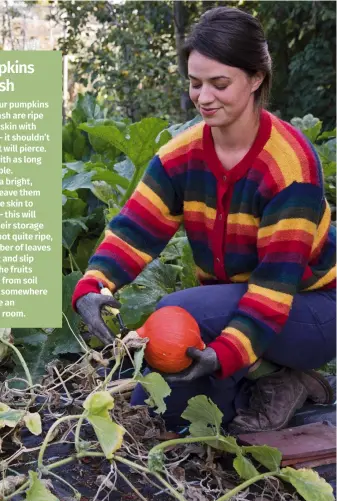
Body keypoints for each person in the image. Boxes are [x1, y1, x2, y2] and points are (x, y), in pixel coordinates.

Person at [72, 6, 336, 433]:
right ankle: (279, 382)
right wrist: (93, 284)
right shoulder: (182, 156)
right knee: (159, 408)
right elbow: (136, 227)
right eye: (195, 83)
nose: (204, 97)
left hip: (313, 310)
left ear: (255, 79)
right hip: (238, 306)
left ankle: (282, 369)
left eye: (219, 83)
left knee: (178, 311)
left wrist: (227, 351)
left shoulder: (290, 166)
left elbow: (274, 287)